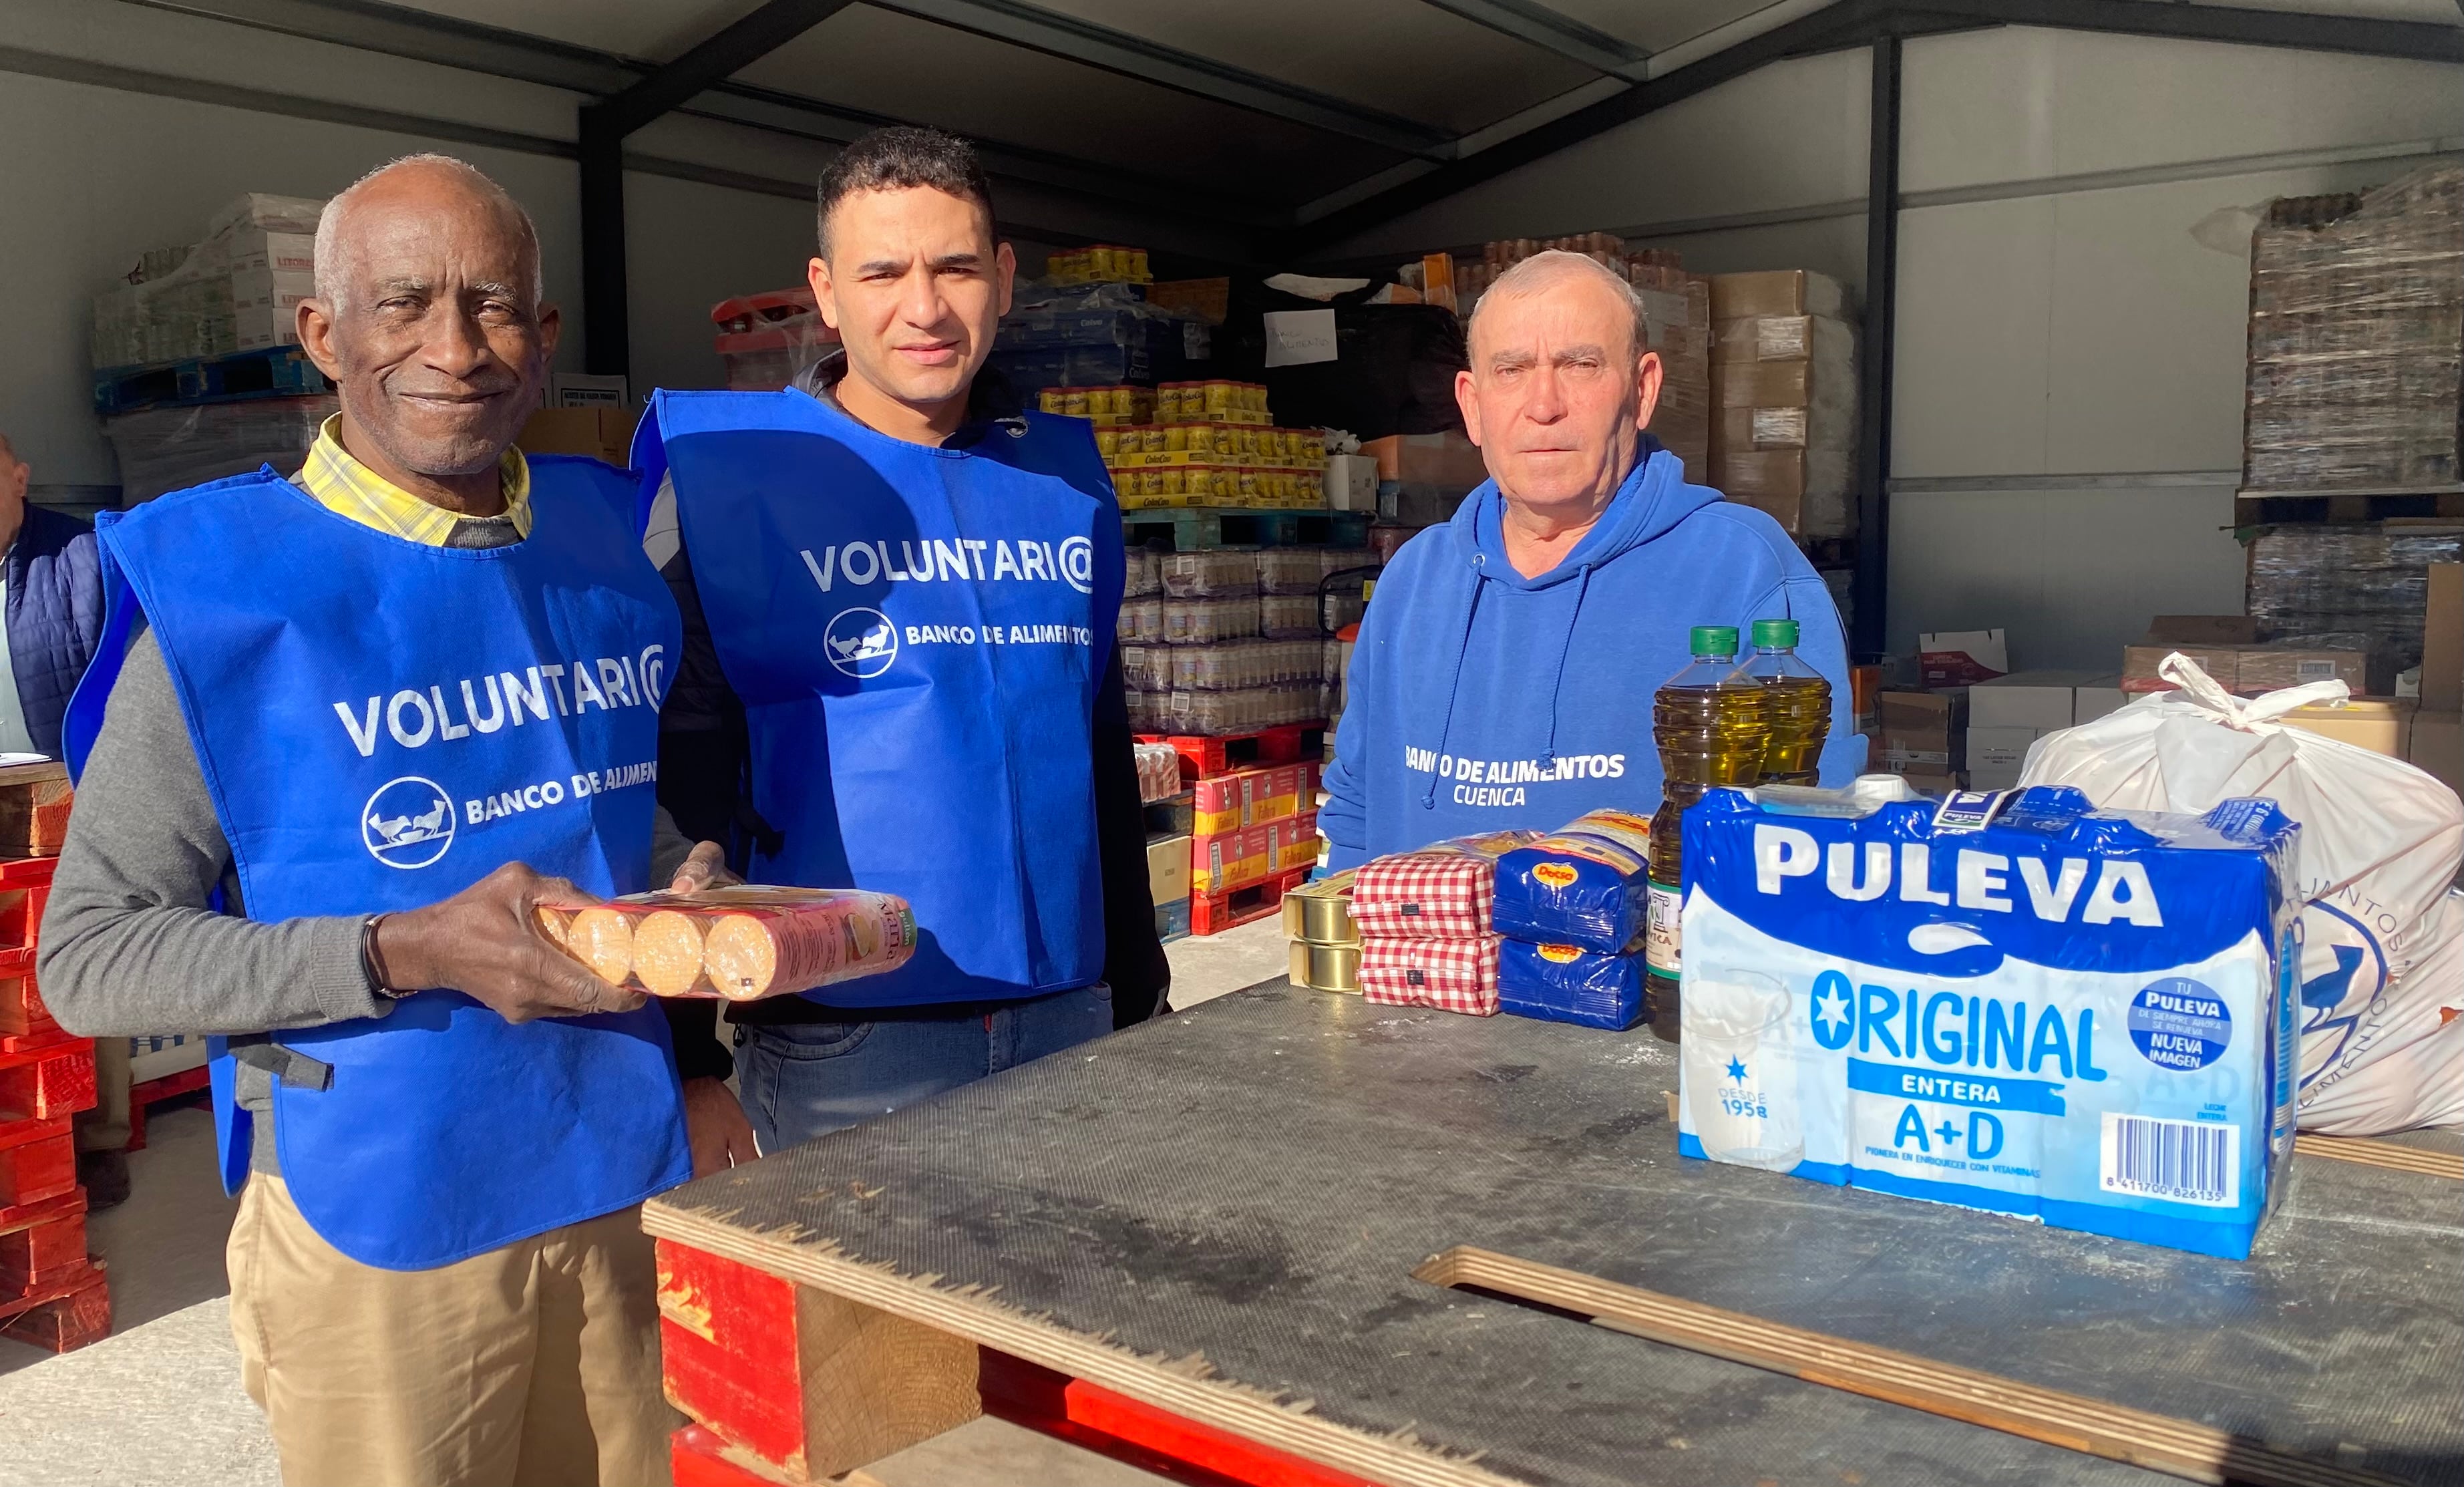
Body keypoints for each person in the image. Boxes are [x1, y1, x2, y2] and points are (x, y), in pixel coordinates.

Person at [38, 154, 747, 1487]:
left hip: (614, 1176)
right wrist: (396, 951)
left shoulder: (601, 553)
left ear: (543, 340)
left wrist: (681, 884)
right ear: (322, 336)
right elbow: (89, 958)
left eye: (492, 307)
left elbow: (614, 816)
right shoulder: (229, 597)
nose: (453, 348)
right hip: (382, 1218)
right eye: (403, 305)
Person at [639, 126, 1168, 1151]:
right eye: (882, 271)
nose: (923, 307)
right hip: (847, 1044)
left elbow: (1098, 746)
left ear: (1004, 277)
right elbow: (671, 775)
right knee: (881, 1318)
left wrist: (1139, 991)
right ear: (826, 291)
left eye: (955, 267)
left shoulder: (1063, 485)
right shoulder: (728, 486)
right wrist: (694, 1060)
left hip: (1067, 1016)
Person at [1321, 250, 1862, 868]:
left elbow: (1810, 830)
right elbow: (1356, 805)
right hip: (1422, 962)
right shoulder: (1413, 580)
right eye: (1511, 369)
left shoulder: (1744, 570)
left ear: (1642, 389)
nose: (1543, 403)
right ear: (1471, 405)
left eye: (1579, 364)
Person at [0, 435, 126, 1209]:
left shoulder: (77, 560)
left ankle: (99, 1139)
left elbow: (119, 685)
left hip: (62, 794)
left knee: (87, 960)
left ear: (20, 476)